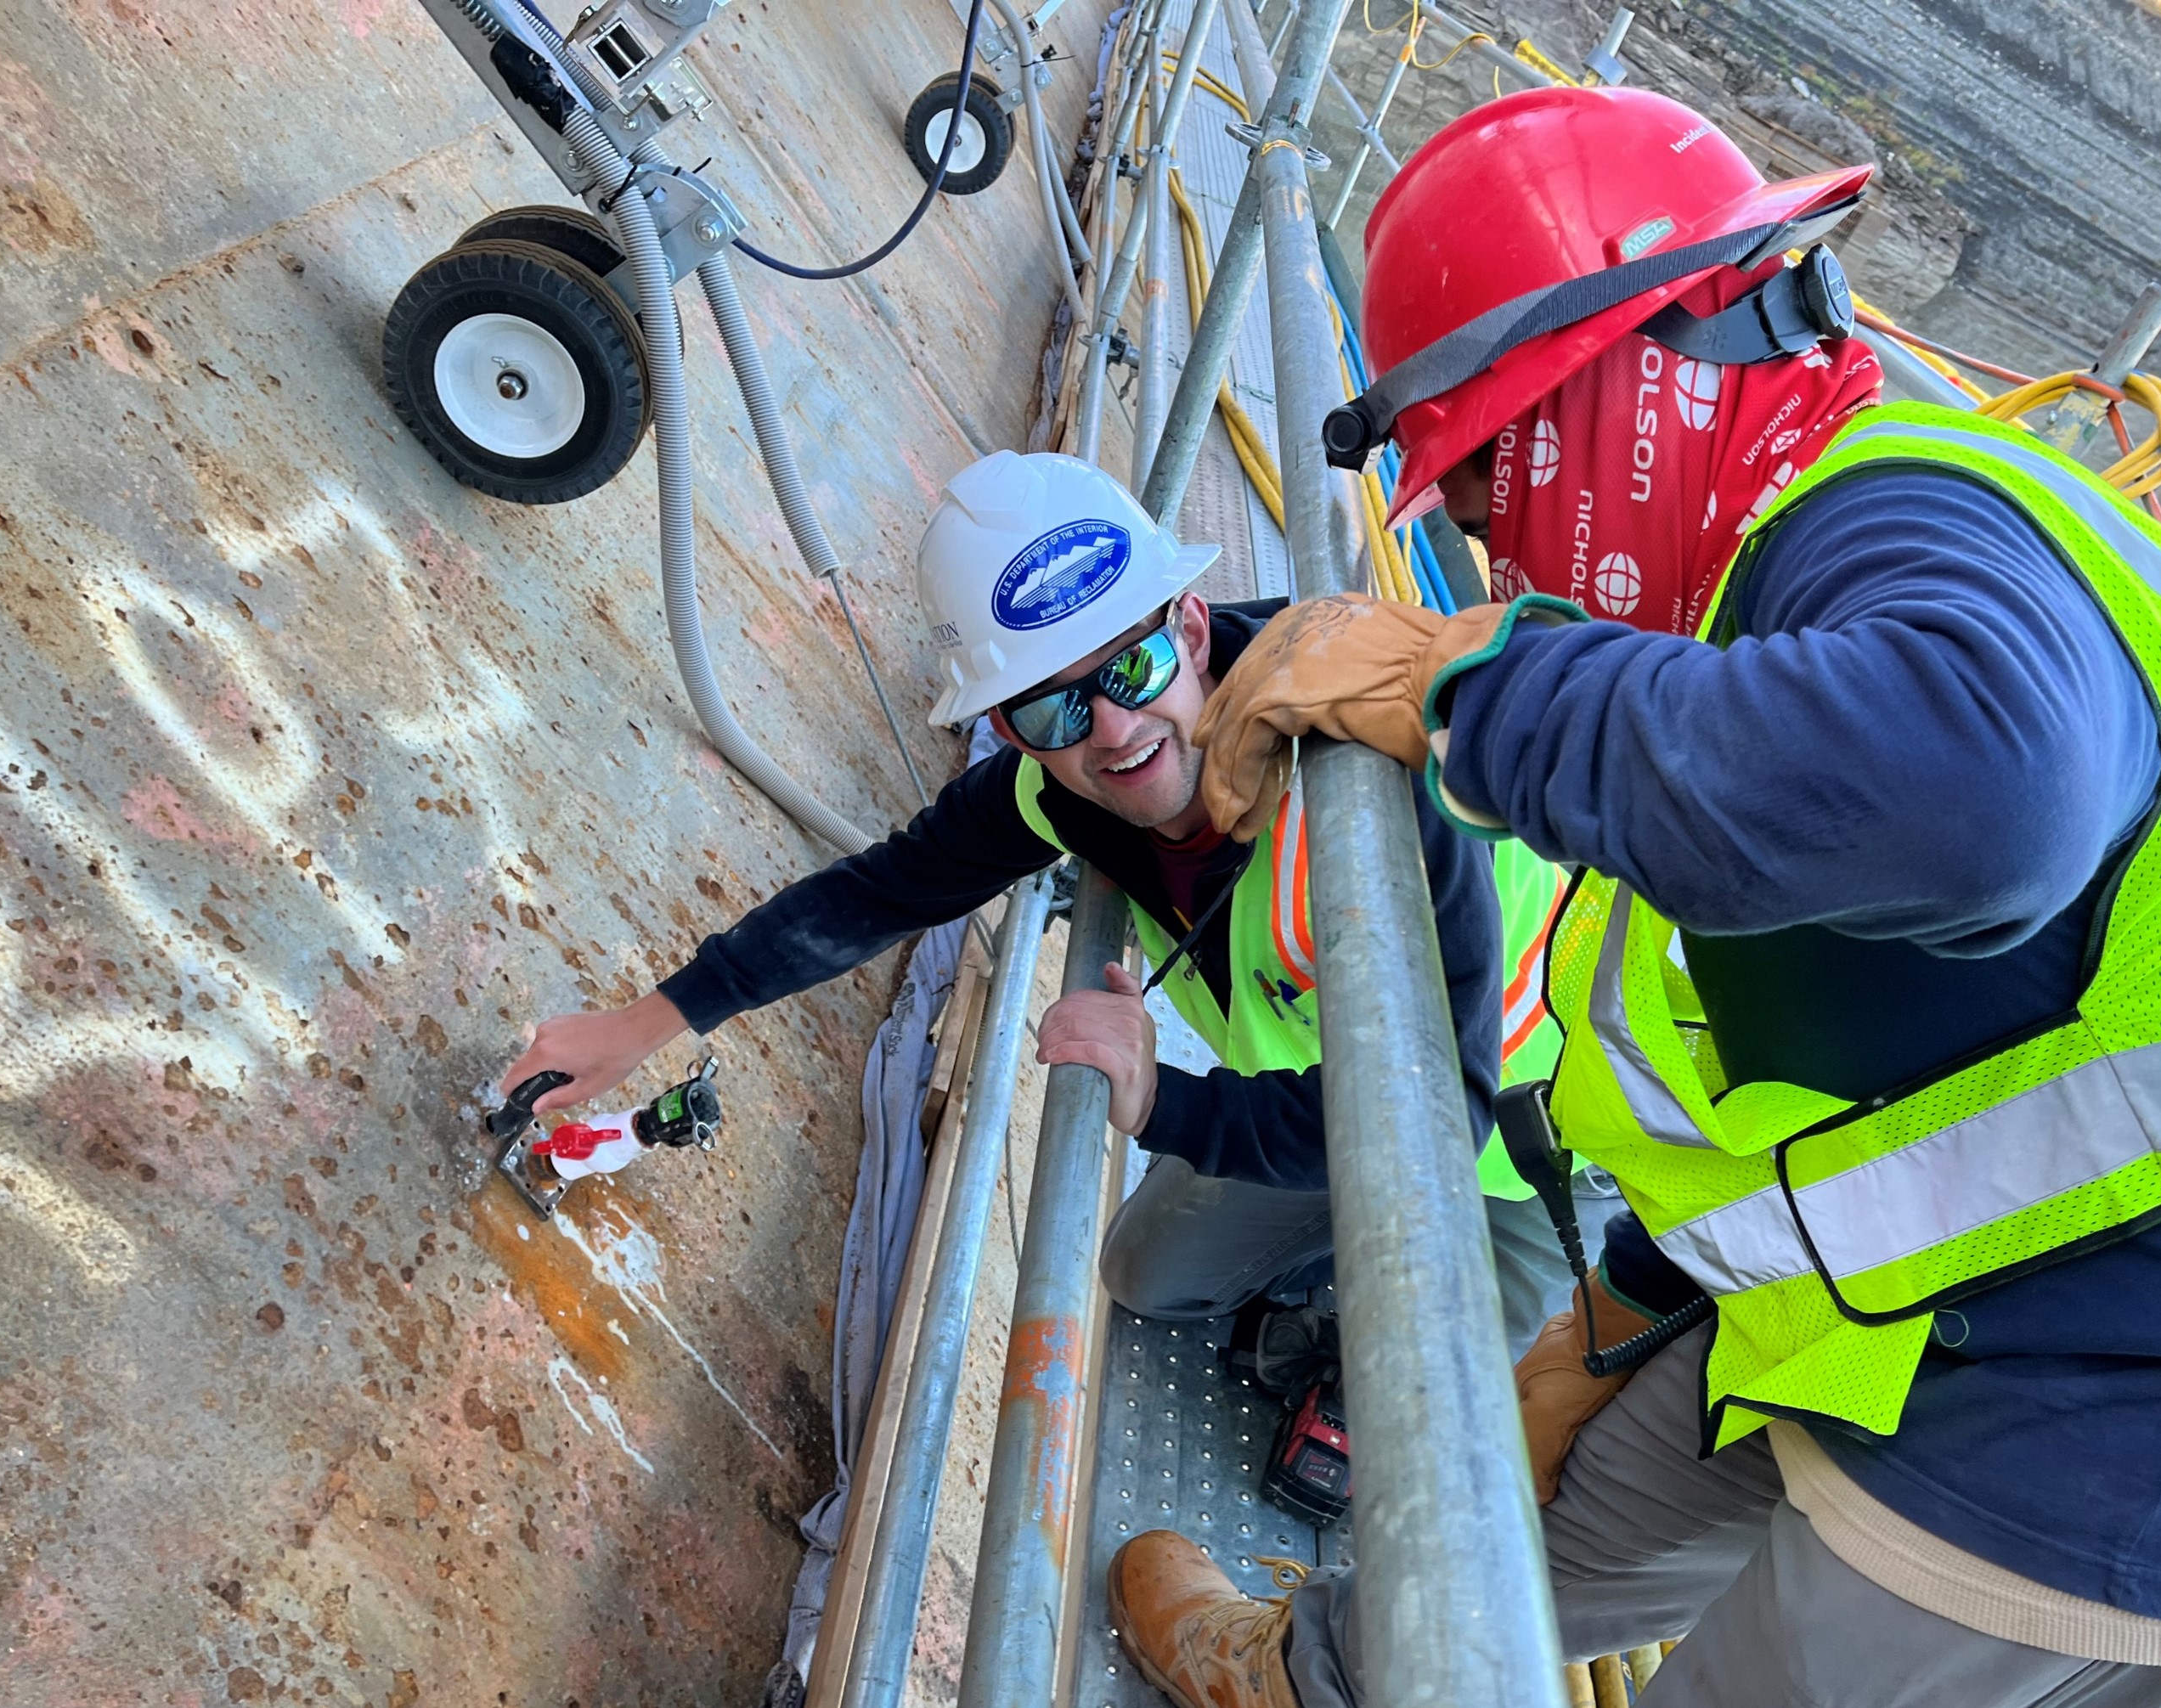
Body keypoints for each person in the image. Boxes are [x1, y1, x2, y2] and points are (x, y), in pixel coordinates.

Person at [1103, 87, 2161, 1708]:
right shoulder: (1775, 599)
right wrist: (1598, 1332)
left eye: (1487, 498)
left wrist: (1476, 688)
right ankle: (1314, 1675)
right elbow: (1853, 1086)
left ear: (1621, 381)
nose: (1496, 568)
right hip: (1955, 1282)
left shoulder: (1893, 520)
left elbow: (1980, 793)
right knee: (1560, 1504)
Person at [503, 448, 1592, 1357]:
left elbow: (1428, 1116)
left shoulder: (1378, 806)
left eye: (1131, 666)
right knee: (1147, 1274)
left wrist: (1168, 1104)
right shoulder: (1054, 785)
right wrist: (647, 1023)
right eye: (1055, 707)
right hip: (1321, 1098)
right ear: (1011, 731)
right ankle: (1312, 1239)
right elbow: (880, 890)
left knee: (1418, 1397)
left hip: (1509, 1143)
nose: (1112, 731)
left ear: (1197, 630)